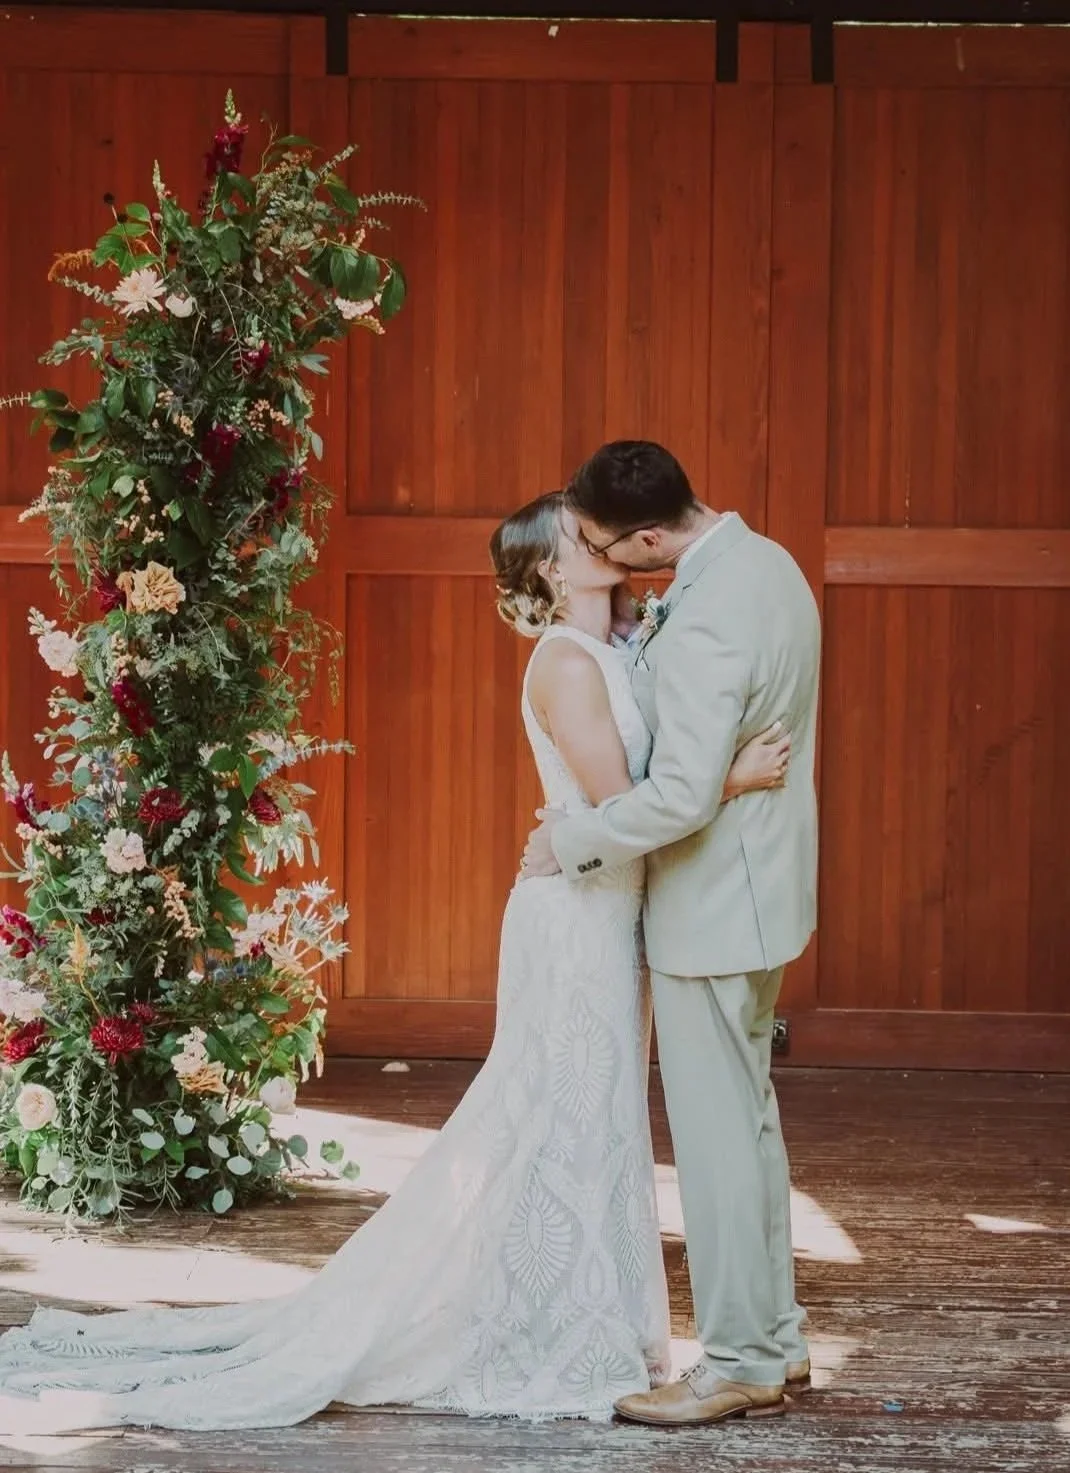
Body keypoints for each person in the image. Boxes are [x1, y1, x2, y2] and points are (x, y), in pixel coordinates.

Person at [0, 487, 788, 1434]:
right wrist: (726, 777)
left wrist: (615, 809)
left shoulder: (621, 647)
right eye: (584, 537)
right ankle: (545, 1323)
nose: (606, 542)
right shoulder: (568, 666)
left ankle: (596, 1316)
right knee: (552, 1113)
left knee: (593, 1119)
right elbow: (627, 811)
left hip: (607, 912)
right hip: (574, 920)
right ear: (551, 567)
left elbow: (624, 806)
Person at [524, 441, 821, 1427]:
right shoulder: (766, 561)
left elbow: (680, 799)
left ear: (648, 536)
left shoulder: (702, 621)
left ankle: (736, 1361)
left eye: (608, 542)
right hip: (761, 891)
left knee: (716, 1143)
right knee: (749, 1125)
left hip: (710, 905)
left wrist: (572, 841)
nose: (602, 557)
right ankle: (773, 1342)